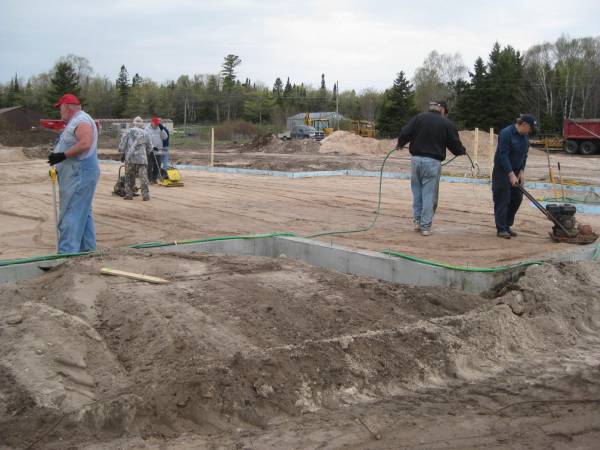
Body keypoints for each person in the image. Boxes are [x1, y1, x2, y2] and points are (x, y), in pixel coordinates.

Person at [397, 100, 466, 236]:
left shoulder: (418, 118)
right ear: (442, 110)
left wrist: (400, 143)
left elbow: (405, 132)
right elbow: (454, 143)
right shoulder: (446, 123)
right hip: (432, 162)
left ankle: (417, 221)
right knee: (429, 195)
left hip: (415, 160)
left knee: (417, 193)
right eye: (445, 113)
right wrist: (461, 151)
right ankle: (425, 226)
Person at [47, 93, 100, 253]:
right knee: (83, 212)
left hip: (79, 172)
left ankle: (67, 254)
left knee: (72, 212)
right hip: (79, 172)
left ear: (67, 107)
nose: (60, 113)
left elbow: (85, 143)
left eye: (60, 109)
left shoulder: (80, 120)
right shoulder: (77, 120)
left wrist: (62, 155)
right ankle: (87, 252)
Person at [492, 114, 536, 239]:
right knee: (503, 199)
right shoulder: (506, 133)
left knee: (517, 198)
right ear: (524, 125)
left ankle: (507, 225)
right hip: (502, 172)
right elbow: (503, 155)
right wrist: (510, 174)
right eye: (530, 128)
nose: (530, 131)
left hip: (517, 170)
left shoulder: (524, 137)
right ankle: (501, 229)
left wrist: (521, 171)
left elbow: (524, 155)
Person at [118, 116, 152, 201]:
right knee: (143, 177)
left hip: (130, 158)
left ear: (133, 123)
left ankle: (129, 194)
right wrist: (146, 153)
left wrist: (122, 154)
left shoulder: (128, 132)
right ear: (142, 123)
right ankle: (145, 195)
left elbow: (122, 144)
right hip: (142, 159)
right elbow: (150, 147)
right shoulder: (146, 133)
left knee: (129, 177)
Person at [145, 117, 168, 183]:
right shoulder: (147, 129)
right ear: (152, 123)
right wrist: (152, 146)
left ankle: (154, 178)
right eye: (156, 124)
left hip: (158, 150)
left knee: (158, 164)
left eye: (158, 124)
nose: (157, 125)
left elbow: (165, 137)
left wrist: (162, 129)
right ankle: (149, 179)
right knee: (149, 165)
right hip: (150, 150)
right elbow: (147, 140)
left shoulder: (159, 128)